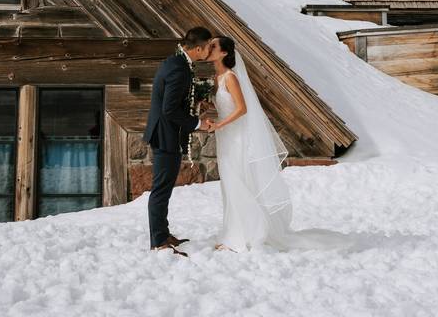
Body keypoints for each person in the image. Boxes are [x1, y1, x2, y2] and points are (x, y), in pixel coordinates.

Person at [204, 36, 350, 252]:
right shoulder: (215, 78)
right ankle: (232, 230)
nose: (209, 48)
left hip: (236, 136)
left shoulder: (230, 77)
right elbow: (225, 107)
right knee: (229, 181)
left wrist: (220, 124)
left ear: (224, 53)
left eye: (214, 46)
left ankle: (245, 234)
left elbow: (242, 109)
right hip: (224, 135)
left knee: (239, 180)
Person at [144, 26, 214, 257]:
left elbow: (176, 100)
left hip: (165, 133)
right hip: (166, 135)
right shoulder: (179, 69)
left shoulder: (177, 63)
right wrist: (197, 123)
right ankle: (158, 241)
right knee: (161, 190)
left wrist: (197, 102)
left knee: (163, 189)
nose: (209, 50)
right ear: (198, 48)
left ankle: (163, 234)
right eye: (208, 47)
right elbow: (170, 109)